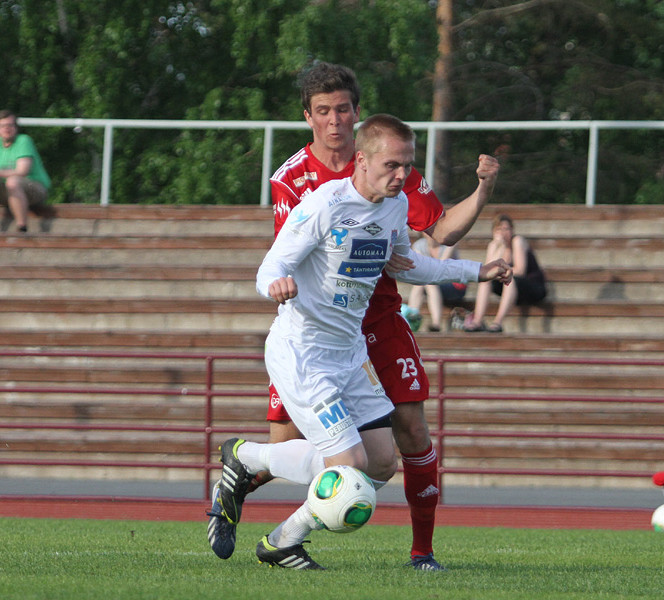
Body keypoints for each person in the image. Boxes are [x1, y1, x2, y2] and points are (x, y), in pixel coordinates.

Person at [206, 63, 502, 571]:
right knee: (344, 466)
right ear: (362, 162)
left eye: (407, 167)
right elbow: (273, 262)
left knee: (380, 462)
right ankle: (256, 478)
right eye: (394, 167)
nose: (403, 176)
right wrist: (275, 283)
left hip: (354, 349)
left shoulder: (393, 203)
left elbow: (417, 261)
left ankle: (281, 521)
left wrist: (480, 271)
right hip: (306, 347)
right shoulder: (315, 199)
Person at [464, 214, 546, 333]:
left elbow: (520, 270)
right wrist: (500, 247)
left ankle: (498, 323)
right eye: (499, 229)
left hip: (532, 285)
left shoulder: (517, 241)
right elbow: (487, 272)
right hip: (510, 288)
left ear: (512, 230)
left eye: (506, 229)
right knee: (485, 282)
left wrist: (499, 272)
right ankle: (477, 321)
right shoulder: (493, 245)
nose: (503, 232)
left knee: (510, 279)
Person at [0, 110, 51, 233]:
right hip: (8, 191)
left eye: (10, 125)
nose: (7, 129)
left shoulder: (23, 141)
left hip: (35, 188)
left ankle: (22, 228)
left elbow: (22, 171)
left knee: (13, 182)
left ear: (16, 128)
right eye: (3, 126)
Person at [407, 232, 467, 332]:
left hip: (454, 284)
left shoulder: (450, 243)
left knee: (428, 282)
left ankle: (436, 323)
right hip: (433, 284)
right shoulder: (418, 245)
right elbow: (421, 268)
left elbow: (440, 267)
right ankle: (411, 317)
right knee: (421, 283)